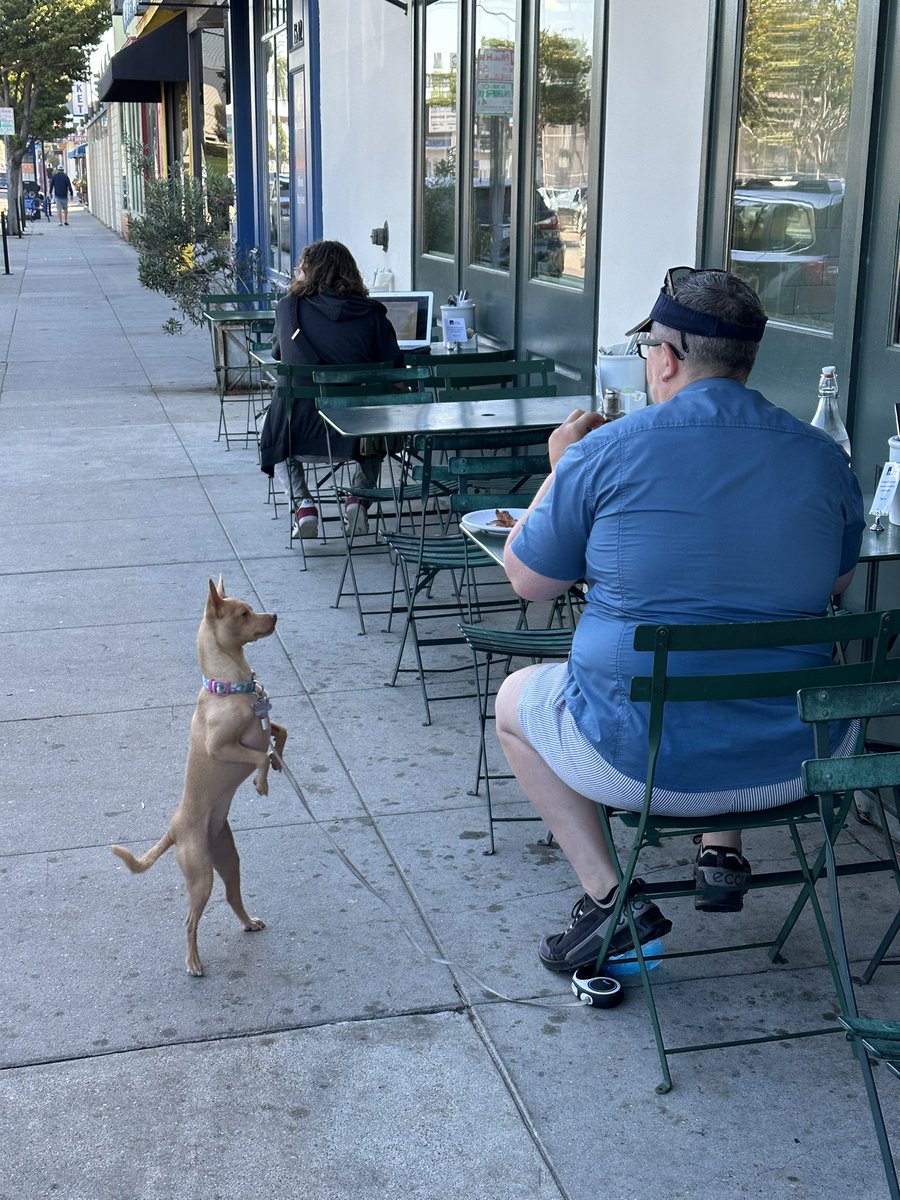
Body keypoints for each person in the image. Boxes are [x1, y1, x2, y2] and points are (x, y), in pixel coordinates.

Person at [494, 267, 865, 974]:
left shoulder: (604, 453)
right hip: (799, 757)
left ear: (664, 357)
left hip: (639, 763)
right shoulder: (823, 458)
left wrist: (557, 468)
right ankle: (721, 851)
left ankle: (611, 900)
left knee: (516, 699)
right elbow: (836, 577)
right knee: (731, 651)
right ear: (746, 361)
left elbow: (529, 581)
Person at [260, 239, 404, 539]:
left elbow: (278, 353)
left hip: (298, 431)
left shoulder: (289, 308)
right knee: (378, 419)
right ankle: (358, 498)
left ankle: (303, 504)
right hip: (355, 433)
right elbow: (394, 373)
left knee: (271, 424)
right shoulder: (374, 314)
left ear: (309, 272)